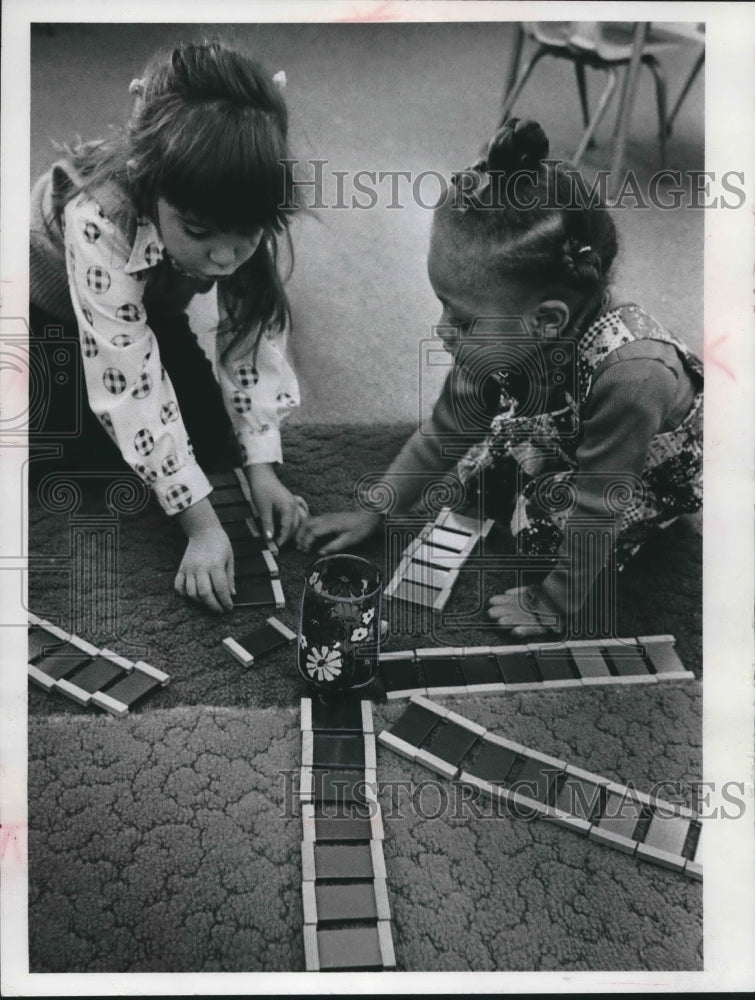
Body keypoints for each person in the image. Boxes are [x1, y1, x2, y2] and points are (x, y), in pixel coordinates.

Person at [297, 118, 703, 639]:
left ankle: (645, 530)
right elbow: (446, 430)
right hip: (572, 430)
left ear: (547, 321)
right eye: (444, 308)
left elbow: (599, 506)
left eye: (462, 319)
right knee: (479, 468)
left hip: (641, 467)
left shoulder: (632, 377)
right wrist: (373, 511)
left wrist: (553, 603)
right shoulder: (502, 339)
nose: (442, 331)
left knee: (541, 527)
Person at [30, 42, 305, 615]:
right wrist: (201, 527)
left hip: (149, 307)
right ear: (152, 184)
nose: (228, 257)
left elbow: (252, 336)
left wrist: (263, 468)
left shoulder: (244, 197)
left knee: (212, 440)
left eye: (247, 234)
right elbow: (127, 380)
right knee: (60, 449)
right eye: (201, 230)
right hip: (46, 310)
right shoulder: (97, 216)